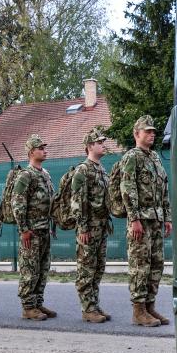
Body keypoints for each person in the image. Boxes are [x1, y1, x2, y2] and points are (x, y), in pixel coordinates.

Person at [120, 115, 172, 327]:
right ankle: (138, 310)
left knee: (156, 264)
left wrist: (167, 217)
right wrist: (134, 219)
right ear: (136, 134)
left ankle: (150, 306)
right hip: (140, 221)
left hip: (156, 220)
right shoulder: (132, 157)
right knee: (140, 265)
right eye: (147, 131)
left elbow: (164, 189)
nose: (152, 134)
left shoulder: (155, 158)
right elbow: (127, 189)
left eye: (153, 132)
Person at [12, 134, 56, 321]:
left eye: (44, 147)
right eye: (40, 148)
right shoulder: (25, 175)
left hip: (44, 229)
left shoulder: (44, 174)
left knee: (43, 268)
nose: (44, 150)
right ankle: (28, 307)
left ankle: (37, 302)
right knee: (30, 269)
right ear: (31, 152)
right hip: (31, 231)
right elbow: (18, 203)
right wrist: (23, 229)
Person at [71, 128, 112, 323]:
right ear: (89, 146)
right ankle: (87, 308)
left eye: (103, 142)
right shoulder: (83, 169)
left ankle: (94, 304)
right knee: (86, 268)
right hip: (89, 227)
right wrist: (83, 227)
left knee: (98, 267)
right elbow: (78, 201)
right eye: (99, 142)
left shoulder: (101, 169)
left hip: (102, 226)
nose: (103, 145)